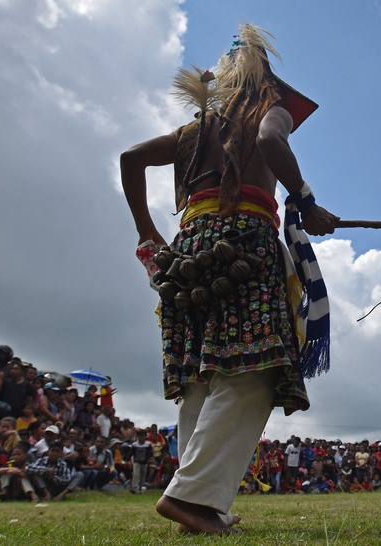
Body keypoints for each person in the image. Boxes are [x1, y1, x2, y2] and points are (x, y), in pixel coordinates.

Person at [120, 24, 338, 534]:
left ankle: (202, 505)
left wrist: (149, 234)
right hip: (243, 245)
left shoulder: (196, 130)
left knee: (204, 375)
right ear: (269, 84)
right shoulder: (271, 108)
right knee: (255, 367)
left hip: (188, 253)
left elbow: (130, 159)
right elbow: (268, 139)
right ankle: (192, 499)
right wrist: (306, 201)